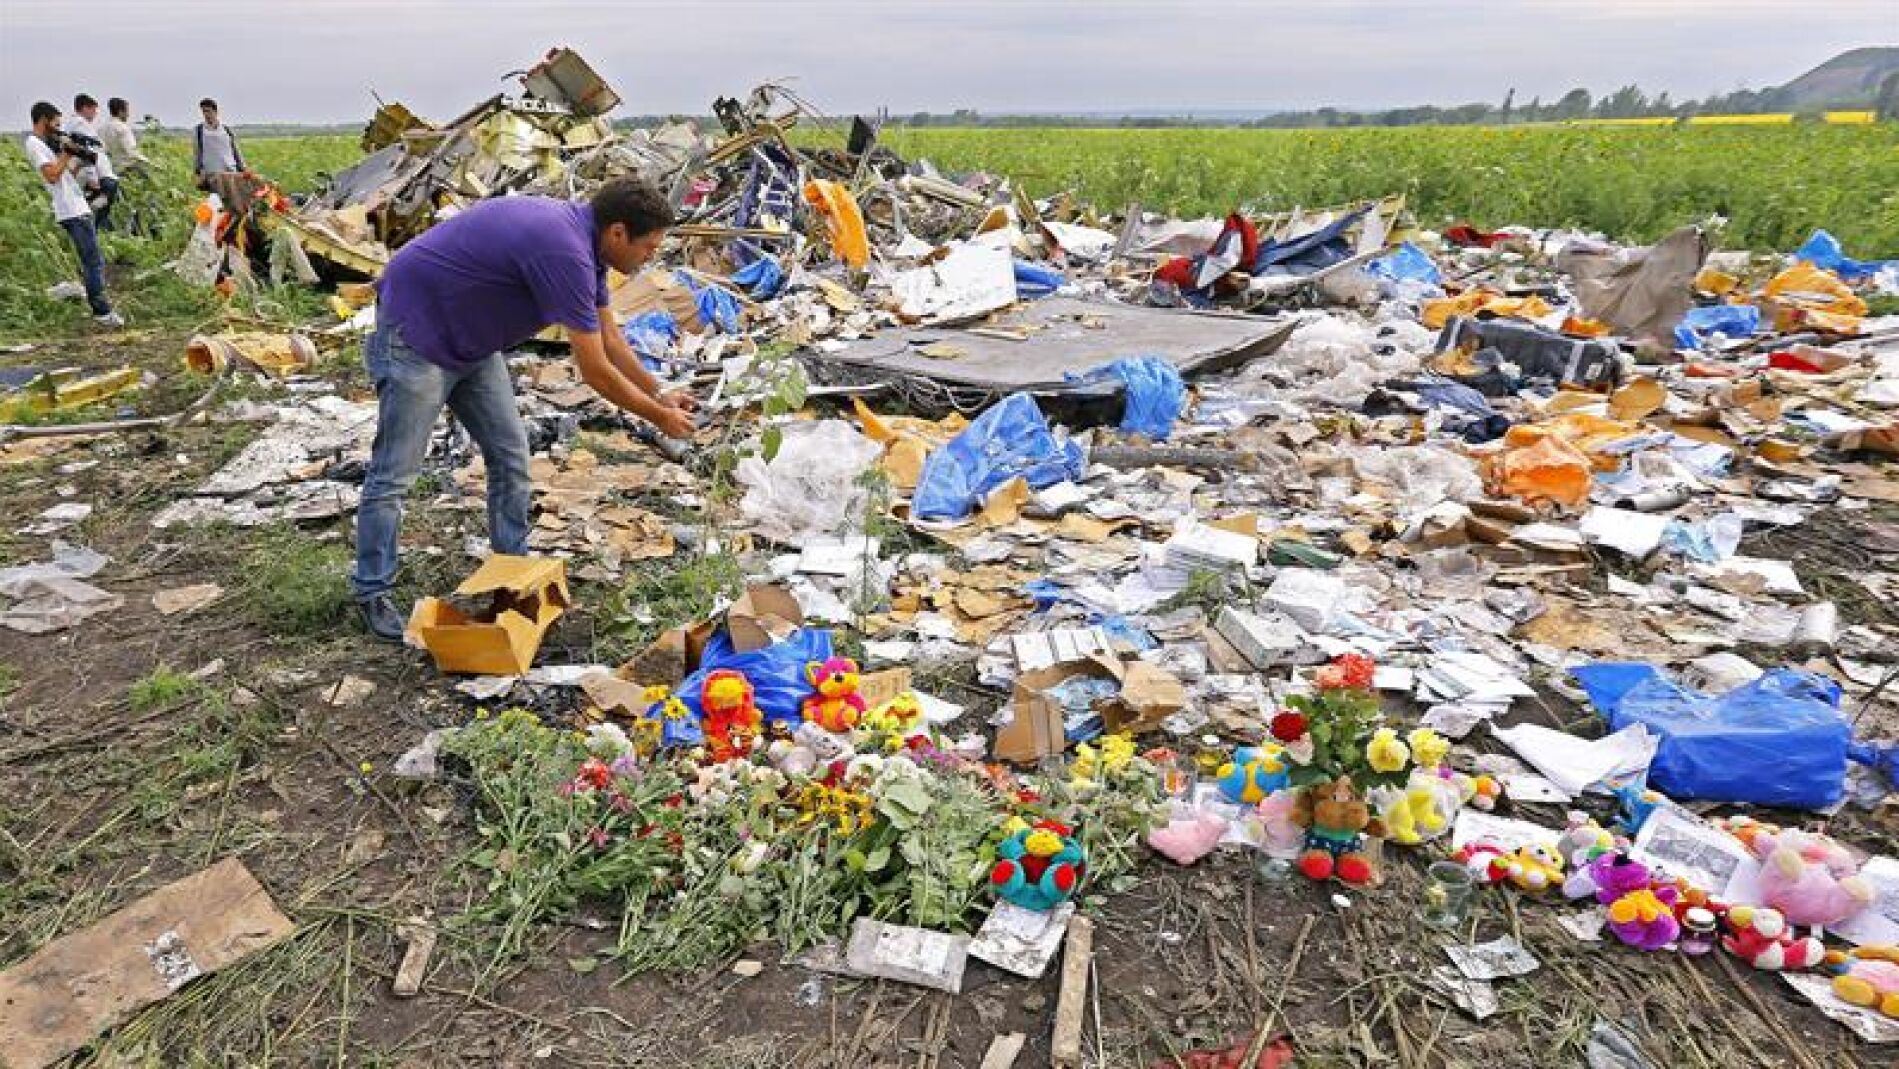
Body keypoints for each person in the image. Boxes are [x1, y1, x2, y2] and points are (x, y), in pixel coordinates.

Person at [351, 178, 696, 640]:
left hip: (472, 342)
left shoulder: (586, 244)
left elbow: (610, 337)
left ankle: (511, 572)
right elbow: (595, 370)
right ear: (618, 233)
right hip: (417, 333)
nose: (651, 257)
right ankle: (371, 592)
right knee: (395, 474)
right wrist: (661, 420)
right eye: (649, 247)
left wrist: (659, 393)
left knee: (511, 457)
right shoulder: (565, 253)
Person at [23, 102, 121, 327]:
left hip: (77, 206)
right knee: (93, 262)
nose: (58, 129)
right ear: (44, 120)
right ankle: (102, 313)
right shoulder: (34, 143)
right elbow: (52, 176)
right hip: (70, 210)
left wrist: (79, 158)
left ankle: (98, 307)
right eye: (55, 124)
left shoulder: (47, 145)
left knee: (92, 260)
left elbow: (64, 174)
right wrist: (68, 152)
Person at [66, 94, 118, 229]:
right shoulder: (80, 124)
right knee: (98, 210)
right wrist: (93, 178)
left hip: (93, 174)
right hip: (98, 176)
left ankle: (101, 230)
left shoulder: (74, 124)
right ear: (84, 108)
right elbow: (87, 152)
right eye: (93, 110)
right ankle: (96, 231)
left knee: (101, 212)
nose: (95, 114)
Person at [192, 98, 244, 185]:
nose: (206, 114)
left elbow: (235, 150)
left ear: (216, 111)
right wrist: (198, 171)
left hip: (230, 172)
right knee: (215, 198)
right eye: (203, 112)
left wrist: (243, 168)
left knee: (233, 198)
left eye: (208, 111)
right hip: (211, 174)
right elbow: (197, 152)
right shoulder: (199, 130)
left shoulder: (226, 130)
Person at [97, 97, 149, 174]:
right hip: (127, 170)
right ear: (121, 112)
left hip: (110, 170)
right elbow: (132, 152)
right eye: (127, 111)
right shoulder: (122, 128)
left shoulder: (101, 129)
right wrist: (151, 163)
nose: (128, 115)